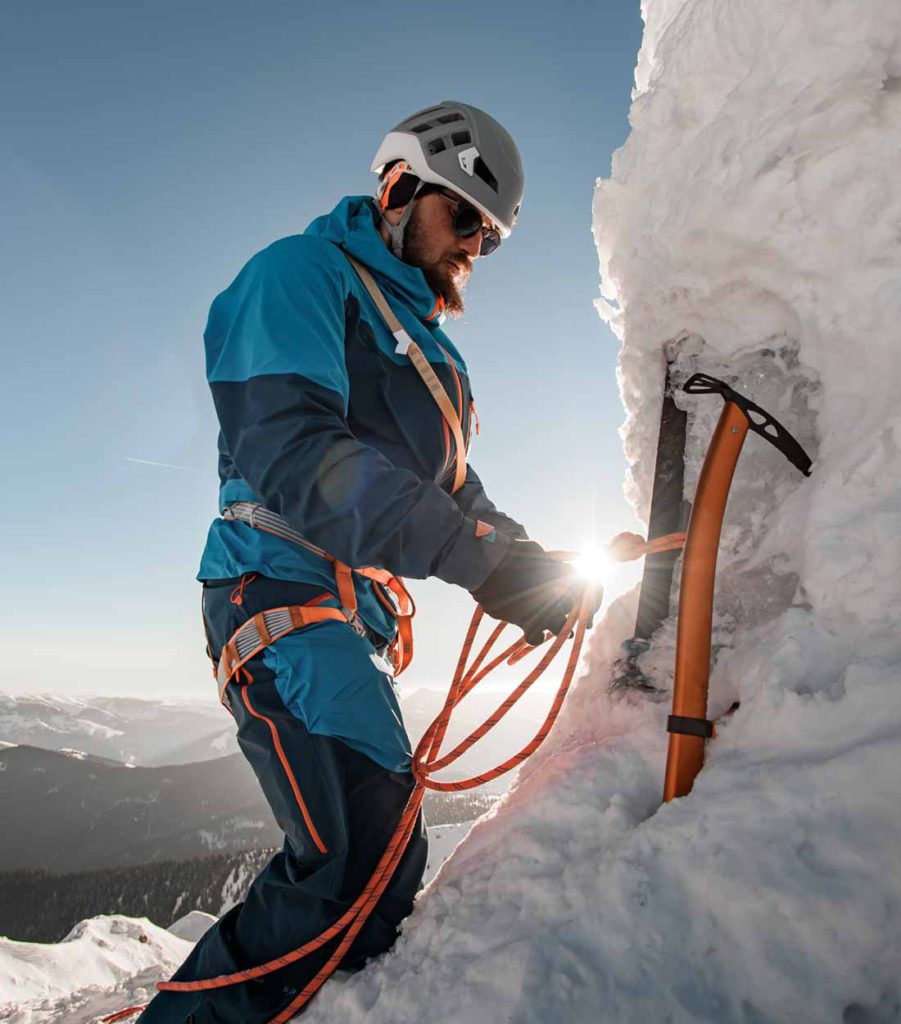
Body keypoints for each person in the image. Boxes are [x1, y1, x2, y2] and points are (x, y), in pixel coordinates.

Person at [139, 100, 593, 1024]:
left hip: (352, 618)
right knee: (354, 865)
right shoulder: (301, 274)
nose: (474, 244)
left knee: (376, 866)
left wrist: (536, 569)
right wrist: (480, 565)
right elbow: (297, 453)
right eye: (463, 215)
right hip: (279, 589)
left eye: (491, 235)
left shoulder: (434, 356)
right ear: (396, 187)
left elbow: (458, 496)